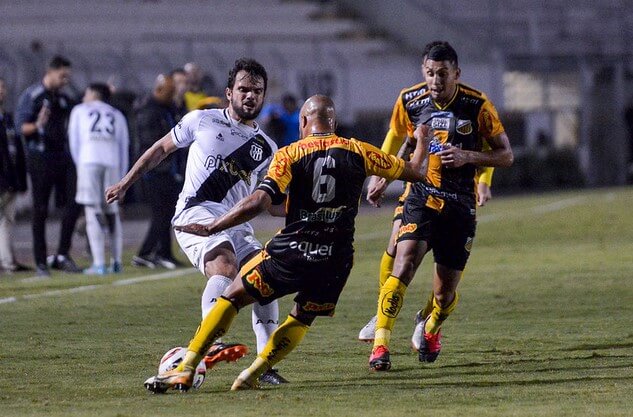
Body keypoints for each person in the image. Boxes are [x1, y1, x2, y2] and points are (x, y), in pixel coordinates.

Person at [141, 94, 431, 393]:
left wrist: (216, 225)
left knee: (233, 296)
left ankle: (188, 366)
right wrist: (421, 139)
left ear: (303, 122)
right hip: (336, 259)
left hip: (293, 250)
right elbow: (417, 171)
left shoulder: (290, 154)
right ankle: (254, 372)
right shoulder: (359, 150)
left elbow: (261, 201)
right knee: (302, 318)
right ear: (333, 122)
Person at [106, 58, 286, 385]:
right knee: (225, 266)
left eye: (257, 91)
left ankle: (265, 366)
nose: (250, 96)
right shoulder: (202, 120)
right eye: (243, 89)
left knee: (266, 281)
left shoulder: (268, 148)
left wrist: (311, 209)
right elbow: (160, 148)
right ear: (229, 92)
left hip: (236, 224)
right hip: (195, 213)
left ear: (263, 96)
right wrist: (126, 182)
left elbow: (271, 205)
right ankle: (212, 340)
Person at [367, 42, 513, 372]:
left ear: (456, 74)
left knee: (444, 294)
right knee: (402, 263)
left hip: (460, 205)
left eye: (443, 74)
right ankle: (380, 342)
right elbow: (402, 141)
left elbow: (506, 154)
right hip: (422, 196)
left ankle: (432, 327)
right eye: (430, 73)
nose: (436, 80)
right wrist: (384, 176)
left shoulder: (477, 105)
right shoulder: (410, 100)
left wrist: (470, 159)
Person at [16, 55, 82, 276]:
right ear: (50, 71)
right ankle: (41, 263)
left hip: (62, 157)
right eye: (62, 76)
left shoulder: (62, 98)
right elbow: (21, 128)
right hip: (40, 158)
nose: (65, 80)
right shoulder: (33, 96)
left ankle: (62, 254)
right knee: (40, 210)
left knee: (74, 202)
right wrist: (37, 125)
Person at [68, 83, 129, 274]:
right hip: (112, 163)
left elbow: (74, 141)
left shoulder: (79, 110)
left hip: (88, 161)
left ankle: (99, 264)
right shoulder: (117, 114)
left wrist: (80, 165)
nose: (84, 96)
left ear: (93, 93)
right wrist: (123, 179)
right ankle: (117, 261)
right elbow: (123, 145)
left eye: (86, 92)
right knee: (112, 211)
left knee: (92, 210)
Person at [130, 73, 184, 270]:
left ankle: (164, 253)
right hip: (155, 171)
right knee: (161, 214)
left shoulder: (167, 108)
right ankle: (146, 253)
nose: (173, 95)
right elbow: (151, 143)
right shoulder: (149, 110)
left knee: (167, 213)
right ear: (160, 90)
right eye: (170, 91)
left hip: (168, 170)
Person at [0, 77, 31, 273]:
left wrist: (20, 179)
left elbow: (15, 151)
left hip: (9, 180)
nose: (2, 90)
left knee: (7, 220)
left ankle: (7, 260)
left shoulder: (8, 119)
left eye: (3, 86)